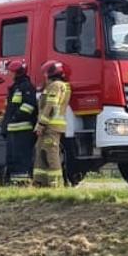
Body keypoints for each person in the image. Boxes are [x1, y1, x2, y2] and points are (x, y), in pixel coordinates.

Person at [32, 60, 72, 188]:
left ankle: (56, 184)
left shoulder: (55, 85)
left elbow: (51, 106)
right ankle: (40, 182)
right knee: (40, 151)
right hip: (50, 126)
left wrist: (41, 124)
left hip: (50, 126)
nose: (44, 76)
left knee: (51, 154)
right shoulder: (59, 85)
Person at [0, 59, 39, 182]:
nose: (10, 74)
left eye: (11, 72)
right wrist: (5, 126)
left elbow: (29, 106)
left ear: (17, 73)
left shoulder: (26, 87)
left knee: (22, 158)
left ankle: (23, 182)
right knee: (12, 159)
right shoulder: (15, 87)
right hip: (13, 130)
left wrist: (15, 117)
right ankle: (12, 182)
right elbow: (10, 108)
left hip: (23, 130)